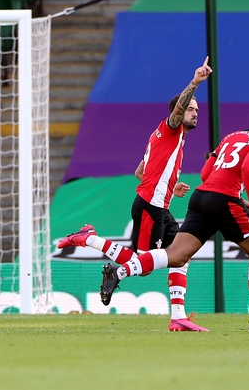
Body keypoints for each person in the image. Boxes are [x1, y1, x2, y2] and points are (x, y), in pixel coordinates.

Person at [99, 101, 249, 333]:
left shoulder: (231, 136)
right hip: (224, 201)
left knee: (176, 256)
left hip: (201, 197)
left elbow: (206, 172)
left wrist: (228, 193)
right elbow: (248, 168)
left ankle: (121, 271)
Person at [58, 57, 211, 332]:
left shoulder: (168, 139)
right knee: (144, 264)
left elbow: (140, 171)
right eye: (190, 108)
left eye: (197, 109)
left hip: (159, 205)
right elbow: (176, 111)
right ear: (178, 112)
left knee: (182, 254)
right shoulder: (170, 128)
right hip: (149, 207)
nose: (195, 112)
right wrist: (195, 82)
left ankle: (178, 316)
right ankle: (89, 239)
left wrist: (170, 186)